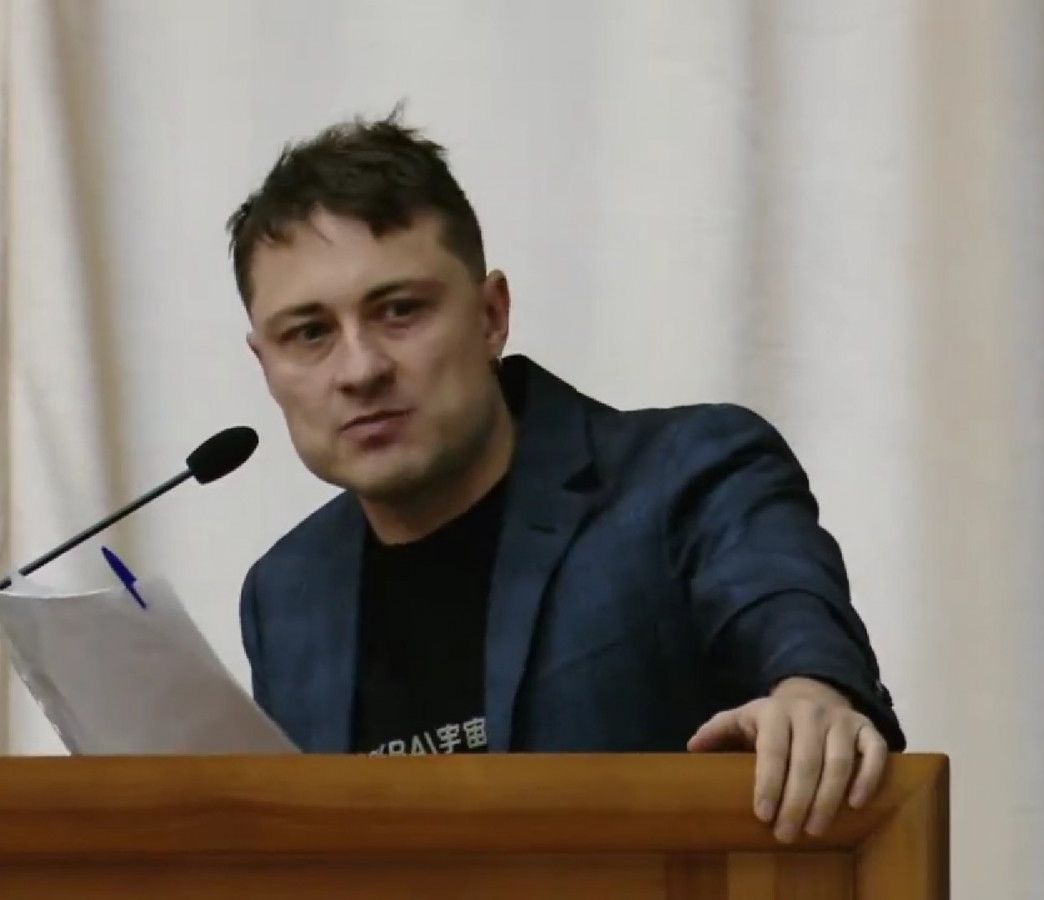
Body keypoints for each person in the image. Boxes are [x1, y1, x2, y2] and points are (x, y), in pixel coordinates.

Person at [227, 110, 905, 844]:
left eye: (399, 312)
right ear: (265, 364)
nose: (361, 369)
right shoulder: (284, 592)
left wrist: (813, 691)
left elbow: (788, 614)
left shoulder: (686, 473)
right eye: (310, 333)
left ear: (491, 316)